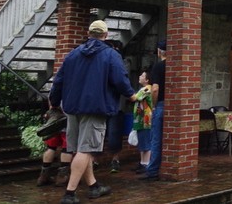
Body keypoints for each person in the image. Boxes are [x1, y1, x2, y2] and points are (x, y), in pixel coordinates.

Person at [49, 20, 136, 204]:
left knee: (81, 149)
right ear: (105, 35)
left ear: (88, 33)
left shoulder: (72, 54)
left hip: (72, 108)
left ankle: (94, 186)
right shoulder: (111, 55)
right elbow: (120, 79)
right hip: (95, 108)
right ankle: (69, 194)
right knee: (86, 149)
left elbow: (58, 81)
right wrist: (131, 95)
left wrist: (54, 103)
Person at [140, 40, 167, 181]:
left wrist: (154, 105)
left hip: (161, 104)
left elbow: (155, 89)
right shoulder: (175, 66)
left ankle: (152, 171)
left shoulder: (158, 66)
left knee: (155, 139)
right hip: (173, 105)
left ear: (159, 51)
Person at [103, 39, 129, 174]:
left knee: (114, 133)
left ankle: (115, 159)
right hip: (101, 104)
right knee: (99, 134)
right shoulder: (102, 62)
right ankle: (93, 159)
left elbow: (122, 80)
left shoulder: (122, 62)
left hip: (117, 105)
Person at [132, 68, 153, 174]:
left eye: (142, 76)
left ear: (147, 80)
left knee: (146, 142)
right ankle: (142, 162)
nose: (140, 77)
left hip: (145, 120)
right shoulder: (143, 89)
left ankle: (146, 164)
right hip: (140, 120)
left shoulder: (147, 89)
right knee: (142, 142)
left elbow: (134, 98)